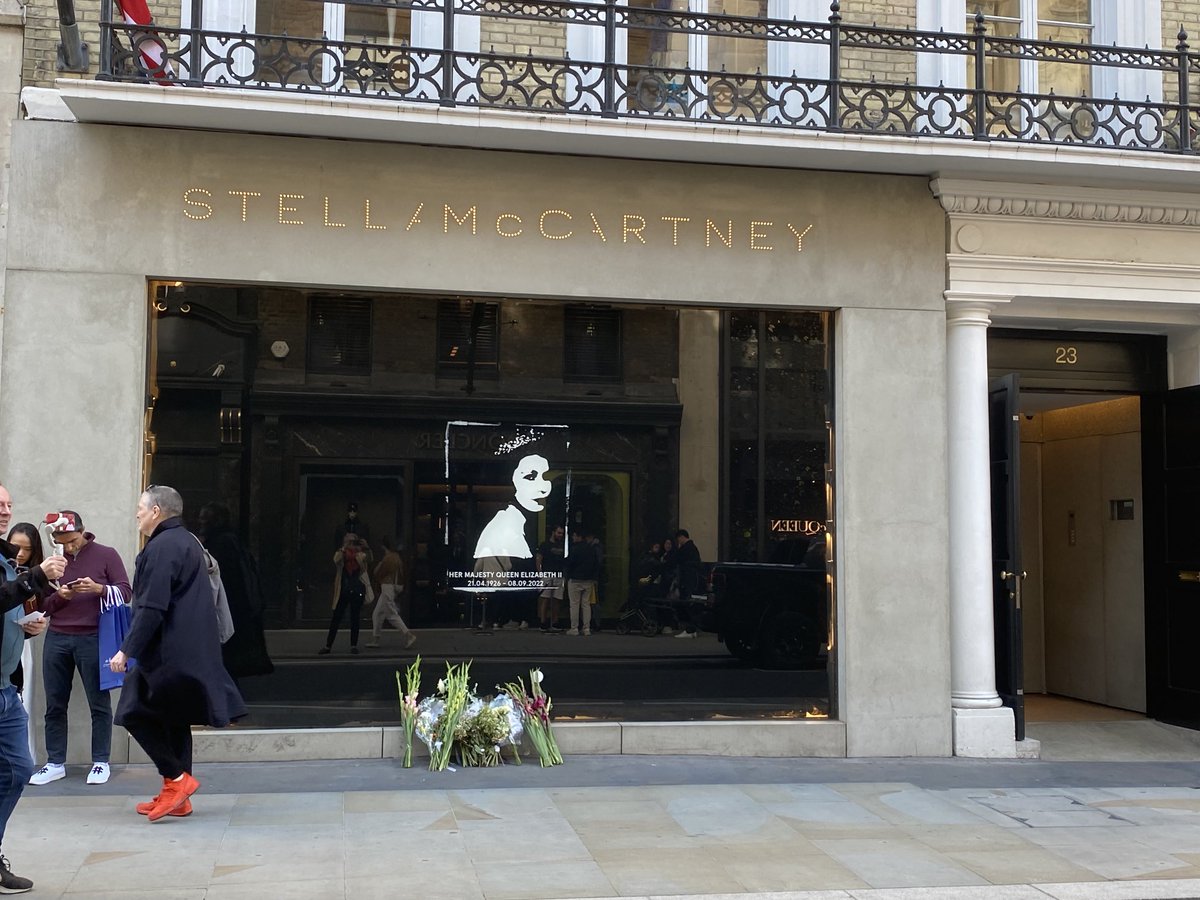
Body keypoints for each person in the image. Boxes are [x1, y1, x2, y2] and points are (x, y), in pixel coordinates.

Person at [109, 485, 246, 822]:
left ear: (157, 511)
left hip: (168, 652)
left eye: (141, 507)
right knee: (174, 720)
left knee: (131, 713)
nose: (137, 513)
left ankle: (177, 779)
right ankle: (178, 796)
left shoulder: (162, 547)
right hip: (190, 649)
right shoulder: (187, 541)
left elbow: (152, 607)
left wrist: (126, 650)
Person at [28, 510, 130, 787]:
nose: (68, 546)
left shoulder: (106, 554)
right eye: (62, 541)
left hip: (94, 636)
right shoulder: (52, 561)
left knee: (99, 702)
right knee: (55, 703)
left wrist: (98, 589)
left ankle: (100, 761)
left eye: (72, 540)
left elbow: (126, 592)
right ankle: (55, 762)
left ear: (83, 532)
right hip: (57, 636)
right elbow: (42, 606)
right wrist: (61, 596)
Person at [0, 483, 66, 889]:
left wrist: (26, 631)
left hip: (6, 690)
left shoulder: (5, 561)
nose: (6, 511)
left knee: (19, 769)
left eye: (8, 504)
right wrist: (38, 576)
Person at [197, 503, 274, 681]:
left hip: (230, 607)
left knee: (228, 661)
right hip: (234, 607)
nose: (201, 521)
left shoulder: (222, 543)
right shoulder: (229, 541)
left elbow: (227, 579)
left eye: (205, 518)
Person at [473, 454, 551, 560]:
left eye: (544, 477)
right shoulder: (507, 522)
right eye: (531, 477)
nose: (544, 488)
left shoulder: (515, 519)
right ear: (516, 481)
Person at [4, 524, 44, 694]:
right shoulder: (4, 569)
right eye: (15, 547)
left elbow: (41, 607)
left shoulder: (35, 576)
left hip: (18, 644)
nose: (20, 553)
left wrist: (36, 626)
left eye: (27, 549)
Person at [319, 533, 374, 655]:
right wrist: (344, 548)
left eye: (353, 542)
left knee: (355, 618)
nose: (352, 545)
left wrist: (366, 547)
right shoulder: (342, 554)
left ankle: (353, 645)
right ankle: (328, 645)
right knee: (336, 618)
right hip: (343, 590)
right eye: (349, 542)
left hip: (356, 589)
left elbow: (369, 559)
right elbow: (335, 559)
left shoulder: (360, 555)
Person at [366, 537, 416, 650]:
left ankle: (408, 635)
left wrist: (378, 566)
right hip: (394, 586)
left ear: (383, 546)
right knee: (377, 613)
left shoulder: (388, 558)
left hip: (387, 586)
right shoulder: (397, 557)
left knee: (391, 613)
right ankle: (375, 639)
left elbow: (378, 573)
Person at [563, 529, 600, 636]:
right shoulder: (591, 549)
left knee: (574, 604)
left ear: (579, 537)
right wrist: (594, 577)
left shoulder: (574, 549)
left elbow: (569, 563)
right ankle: (586, 628)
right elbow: (596, 564)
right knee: (586, 604)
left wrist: (568, 575)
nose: (573, 538)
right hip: (588, 580)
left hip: (575, 579)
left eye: (574, 536)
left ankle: (574, 628)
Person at [672, 528, 703, 638]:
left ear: (681, 537)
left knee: (687, 603)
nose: (678, 542)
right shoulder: (692, 548)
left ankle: (690, 629)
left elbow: (676, 560)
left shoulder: (686, 549)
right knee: (690, 603)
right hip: (692, 579)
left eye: (678, 539)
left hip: (688, 580)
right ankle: (691, 629)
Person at [536, 525, 565, 632]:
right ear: (553, 532)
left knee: (557, 600)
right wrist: (540, 574)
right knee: (545, 599)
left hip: (559, 575)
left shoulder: (563, 545)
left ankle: (555, 622)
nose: (560, 535)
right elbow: (539, 559)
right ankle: (543, 622)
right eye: (558, 533)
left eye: (561, 533)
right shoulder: (545, 545)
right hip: (547, 575)